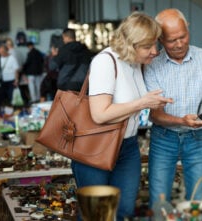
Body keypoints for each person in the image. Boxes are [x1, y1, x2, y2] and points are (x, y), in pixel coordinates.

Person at [71, 12, 173, 221]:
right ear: (130, 44)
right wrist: (142, 103)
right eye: (147, 47)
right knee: (97, 215)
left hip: (127, 147)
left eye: (155, 44)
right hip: (96, 148)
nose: (154, 51)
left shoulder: (135, 62)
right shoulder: (105, 62)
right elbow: (99, 115)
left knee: (124, 211)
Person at [144, 8, 202, 207]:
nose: (179, 44)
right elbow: (154, 113)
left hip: (198, 138)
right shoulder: (152, 64)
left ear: (188, 29)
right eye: (171, 40)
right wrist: (181, 121)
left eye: (183, 36)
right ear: (160, 39)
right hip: (163, 138)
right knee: (158, 201)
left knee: (198, 199)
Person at [0, 45, 19, 112]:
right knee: (1, 95)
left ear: (5, 51)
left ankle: (14, 109)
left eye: (1, 52)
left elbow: (16, 70)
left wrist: (16, 80)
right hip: (4, 80)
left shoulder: (12, 58)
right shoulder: (1, 57)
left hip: (11, 80)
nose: (0, 54)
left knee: (11, 96)